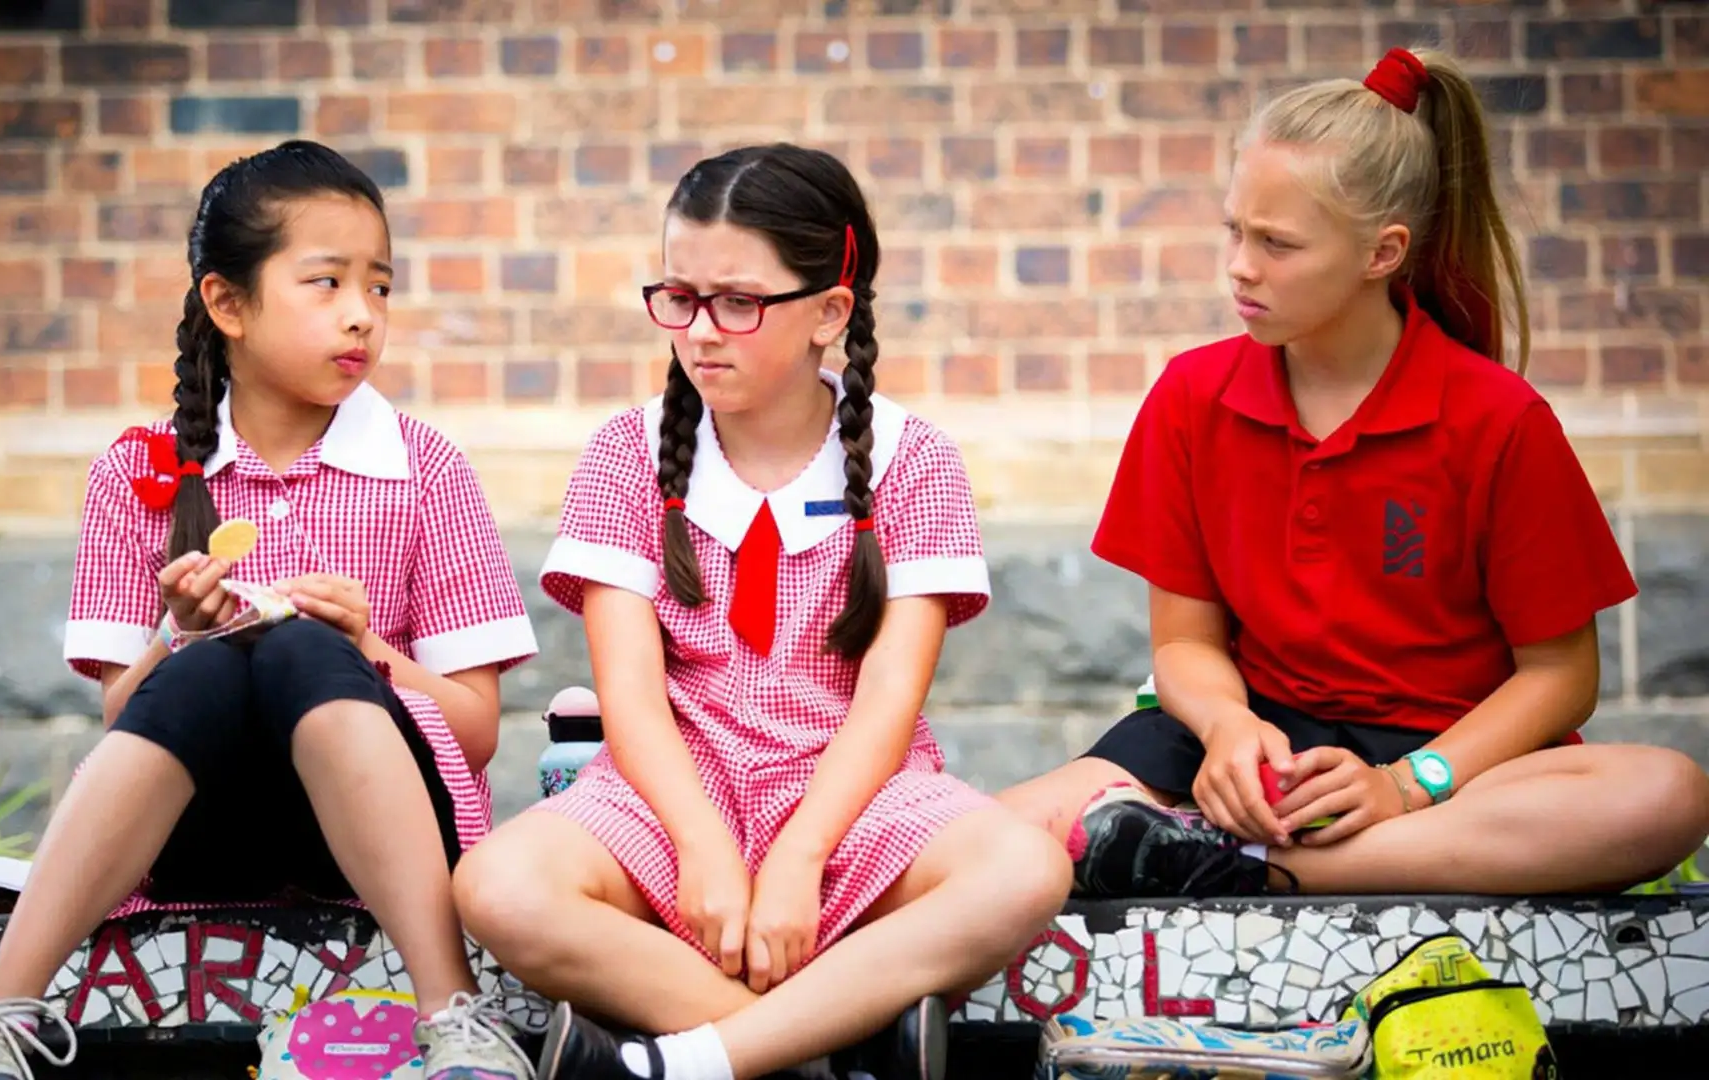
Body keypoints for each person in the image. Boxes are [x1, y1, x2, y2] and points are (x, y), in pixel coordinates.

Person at [999, 47, 1709, 901]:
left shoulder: (1500, 420)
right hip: (1250, 743)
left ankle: (1248, 867)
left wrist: (1407, 787)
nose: (1240, 266)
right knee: (996, 839)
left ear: (1382, 252)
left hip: (1449, 763)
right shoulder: (1191, 397)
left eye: (1278, 244)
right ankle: (1221, 842)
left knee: (1667, 796)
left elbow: (1562, 677)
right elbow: (1185, 642)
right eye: (1234, 229)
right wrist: (1227, 729)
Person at [0, 141, 542, 1080]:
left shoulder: (425, 470)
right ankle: (0, 1015)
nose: (361, 317)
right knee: (210, 660)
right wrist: (180, 634)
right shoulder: (139, 473)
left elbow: (478, 733)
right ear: (229, 304)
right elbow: (125, 724)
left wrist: (366, 644)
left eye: (380, 288)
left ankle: (455, 1011)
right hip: (200, 834)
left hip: (380, 828)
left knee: (301, 654)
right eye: (326, 283)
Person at [450, 144, 1072, 1080]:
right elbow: (633, 698)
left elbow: (886, 703)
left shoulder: (914, 461)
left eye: (739, 303)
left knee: (1026, 872)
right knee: (499, 886)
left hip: (855, 798)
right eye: (679, 297)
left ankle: (691, 1063)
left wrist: (797, 859)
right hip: (670, 795)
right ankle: (824, 1050)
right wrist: (703, 847)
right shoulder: (627, 455)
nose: (701, 332)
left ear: (830, 312)